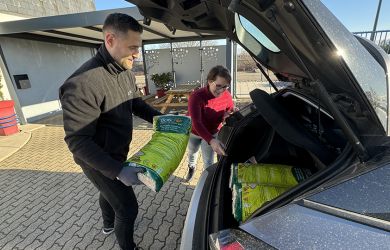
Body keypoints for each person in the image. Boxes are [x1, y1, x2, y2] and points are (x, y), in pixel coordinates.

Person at [59, 13, 161, 250]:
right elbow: (77, 141)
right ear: (110, 39)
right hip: (97, 159)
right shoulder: (81, 84)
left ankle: (107, 224)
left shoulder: (124, 70)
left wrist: (161, 119)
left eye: (139, 47)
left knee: (109, 193)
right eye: (133, 47)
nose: (137, 54)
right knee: (127, 208)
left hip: (118, 152)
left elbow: (135, 103)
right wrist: (116, 170)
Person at [185, 65, 235, 182]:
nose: (221, 90)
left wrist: (228, 114)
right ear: (209, 81)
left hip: (212, 132)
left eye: (225, 86)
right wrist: (212, 141)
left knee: (208, 160)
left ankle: (208, 182)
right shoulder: (196, 96)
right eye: (218, 86)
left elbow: (229, 109)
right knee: (192, 151)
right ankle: (191, 167)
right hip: (194, 131)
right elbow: (196, 122)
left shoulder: (227, 95)